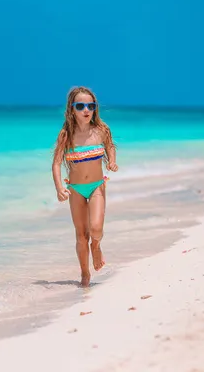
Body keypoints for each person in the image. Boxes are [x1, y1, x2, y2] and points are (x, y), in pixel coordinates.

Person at [52, 86, 118, 287]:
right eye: (80, 106)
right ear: (72, 109)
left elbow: (110, 146)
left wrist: (112, 161)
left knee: (95, 229)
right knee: (81, 235)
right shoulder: (66, 135)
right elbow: (56, 163)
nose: (86, 110)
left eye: (91, 105)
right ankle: (85, 274)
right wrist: (59, 188)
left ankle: (96, 246)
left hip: (97, 186)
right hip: (76, 189)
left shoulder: (101, 131)